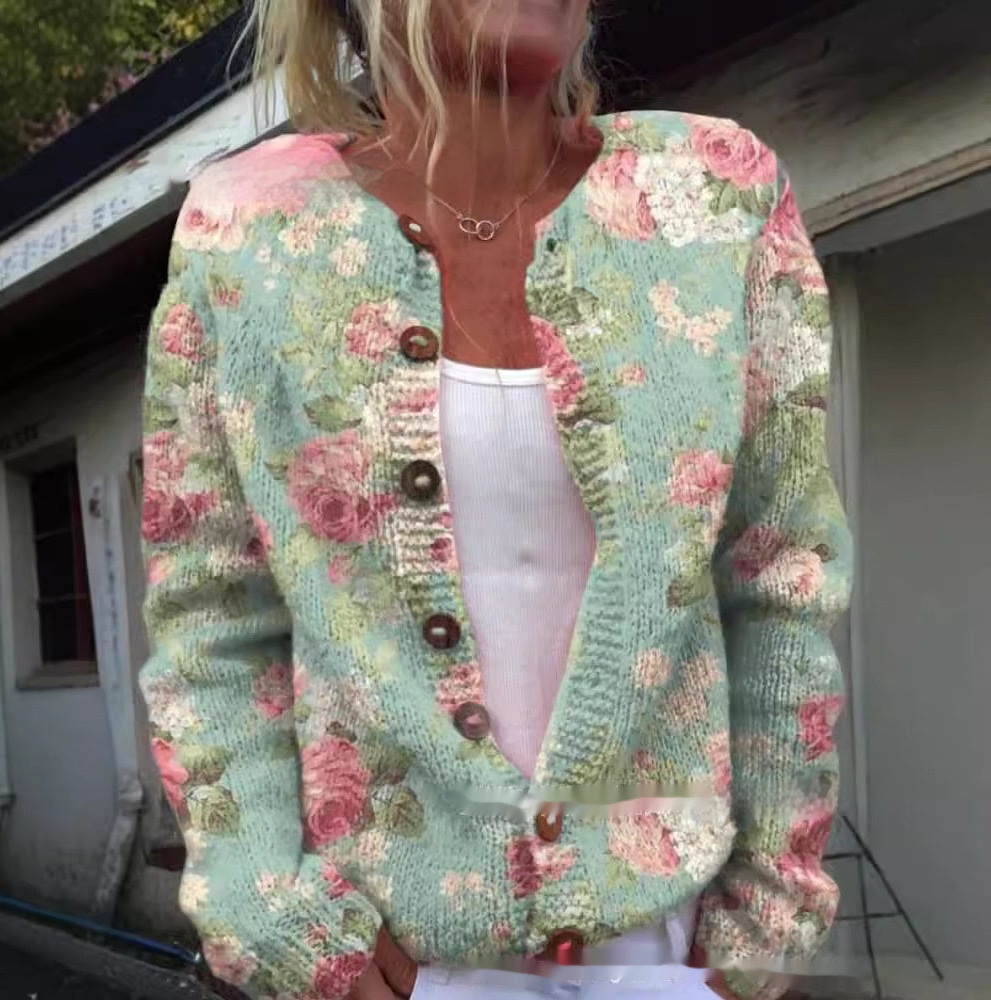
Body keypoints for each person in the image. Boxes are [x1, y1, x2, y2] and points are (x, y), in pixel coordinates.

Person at [138, 0, 852, 997]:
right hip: (386, 955)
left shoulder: (712, 194)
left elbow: (779, 575)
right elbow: (213, 618)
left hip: (671, 953)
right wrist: (275, 920)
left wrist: (765, 928)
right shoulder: (249, 232)